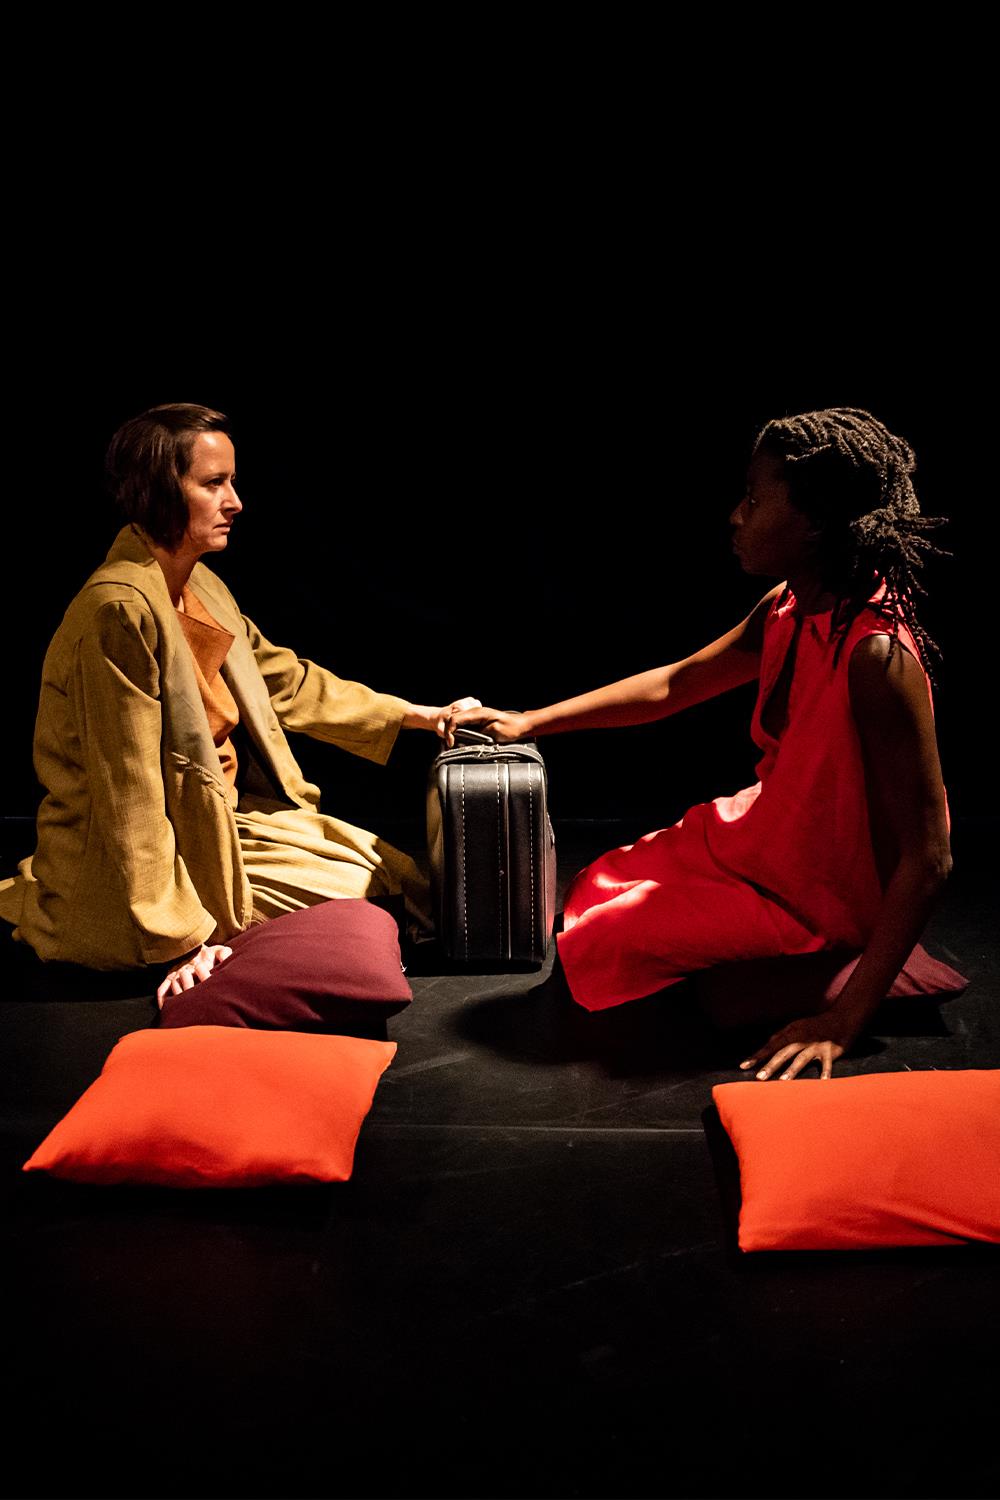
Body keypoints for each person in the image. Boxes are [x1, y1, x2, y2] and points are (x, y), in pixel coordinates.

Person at [446, 407, 954, 1082]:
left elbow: (930, 856)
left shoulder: (877, 657)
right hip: (767, 837)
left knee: (610, 939)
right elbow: (675, 684)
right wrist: (529, 721)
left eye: (755, 499)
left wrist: (842, 1020)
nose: (736, 516)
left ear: (813, 521)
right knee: (595, 887)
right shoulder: (787, 605)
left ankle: (813, 965)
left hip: (824, 890)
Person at [0, 403, 477, 989]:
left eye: (232, 481)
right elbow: (128, 793)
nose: (235, 502)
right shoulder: (117, 610)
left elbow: (285, 681)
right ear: (159, 491)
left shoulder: (199, 583)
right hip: (143, 857)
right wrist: (178, 940)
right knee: (375, 901)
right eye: (213, 484)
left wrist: (420, 716)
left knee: (400, 878)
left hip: (221, 823)